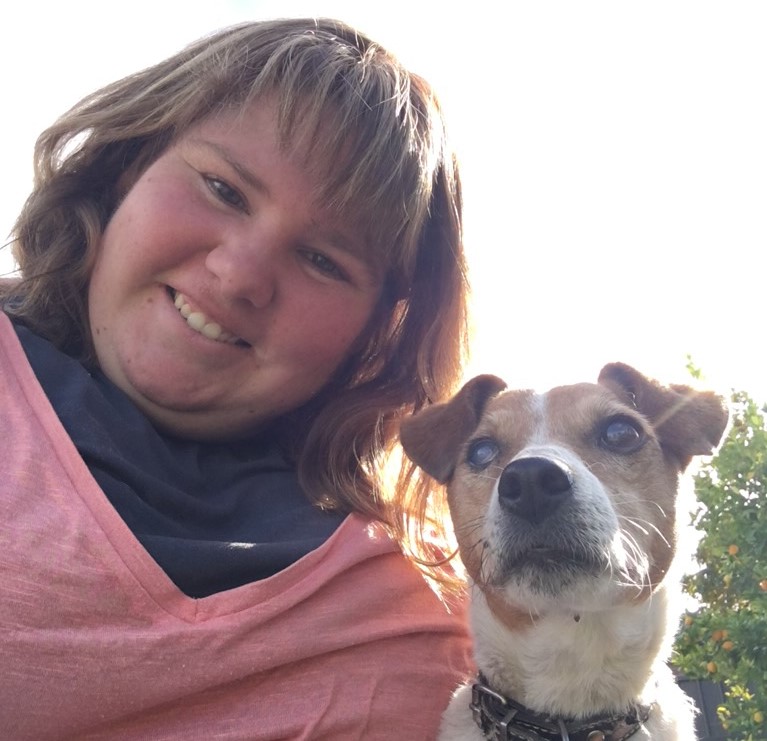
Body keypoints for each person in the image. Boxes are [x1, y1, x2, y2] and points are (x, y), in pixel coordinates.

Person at [0, 17, 472, 740]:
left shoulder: (412, 613)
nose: (240, 274)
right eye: (222, 188)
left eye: (323, 259)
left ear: (376, 333)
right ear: (131, 161)